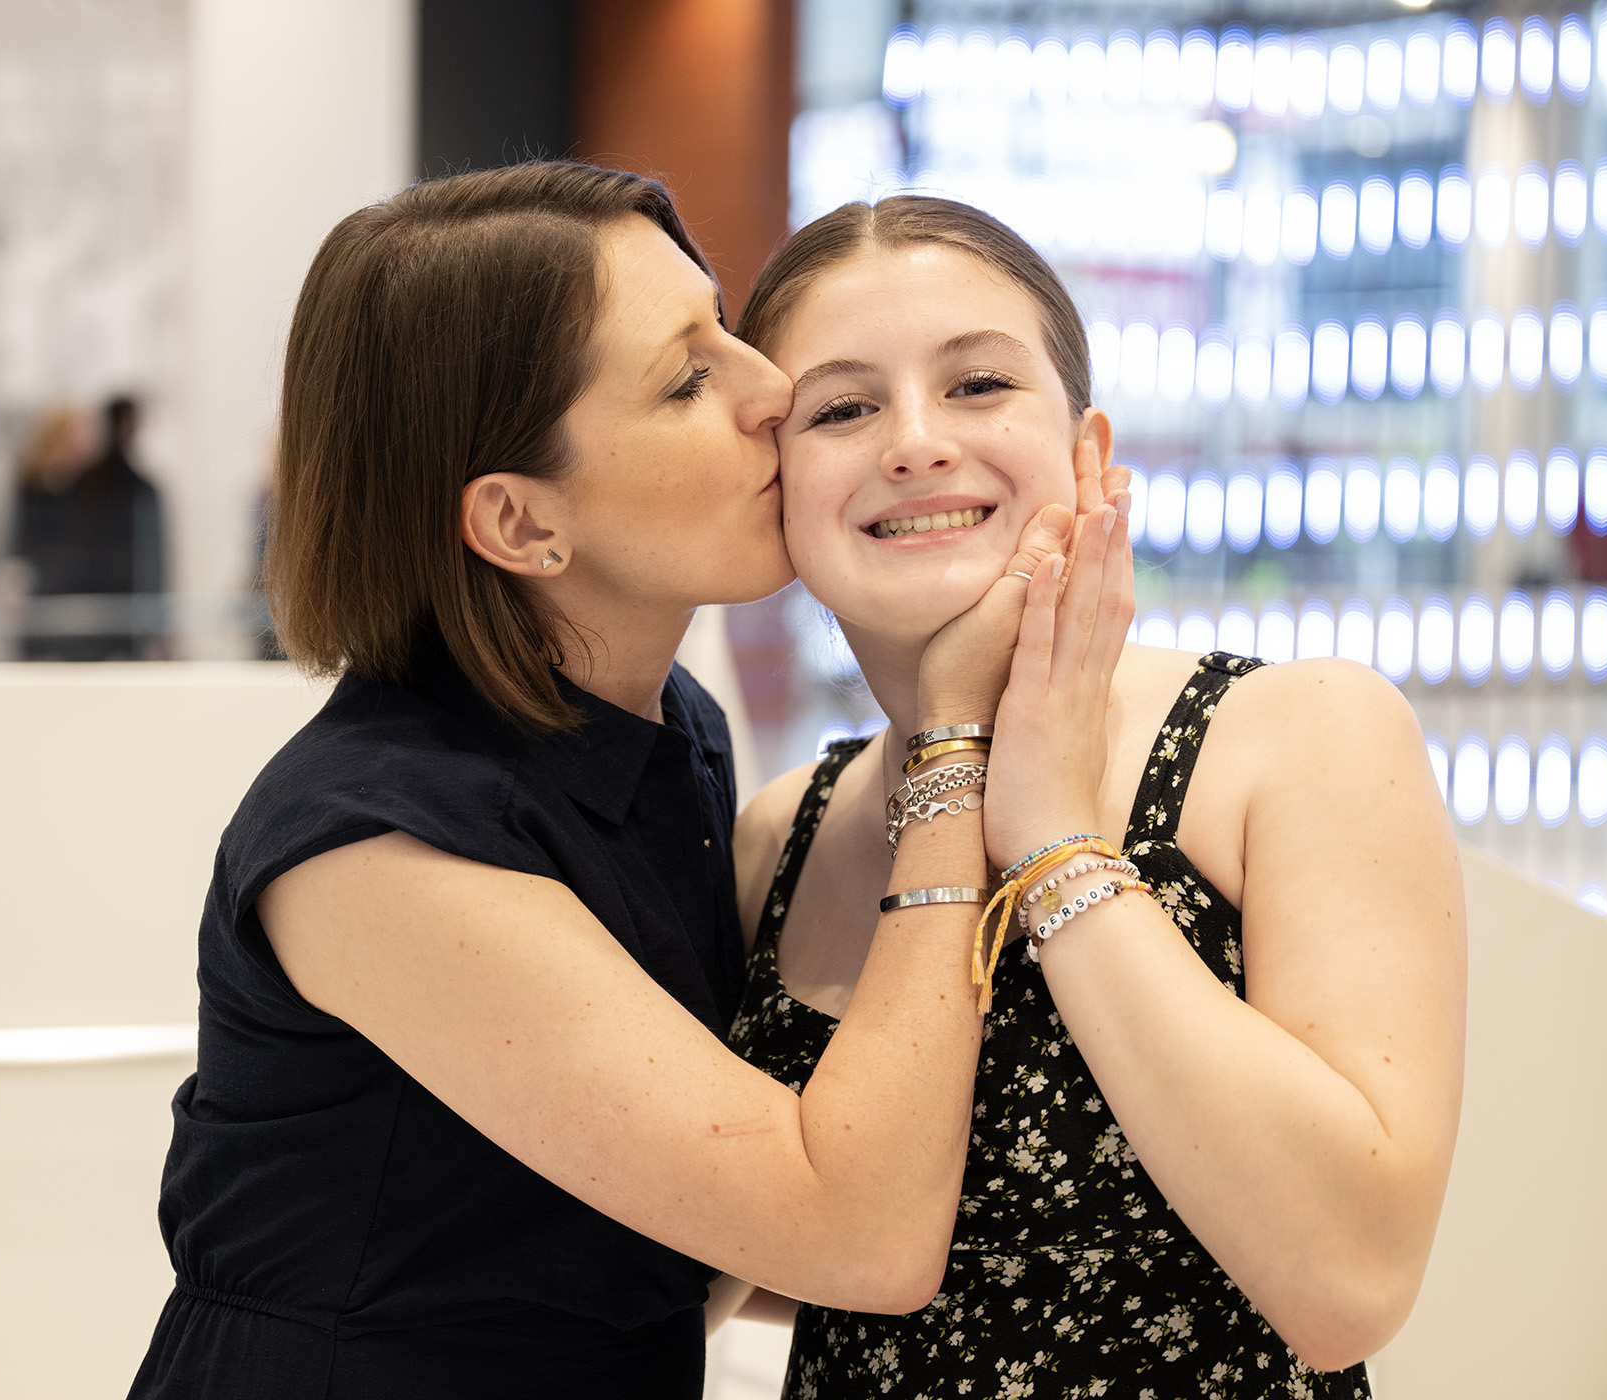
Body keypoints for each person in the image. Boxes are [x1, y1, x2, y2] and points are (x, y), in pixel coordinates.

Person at [127, 162, 1124, 1399]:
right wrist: (954, 734)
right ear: (521, 524)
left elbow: (681, 1233)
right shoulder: (380, 844)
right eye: (689, 378)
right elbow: (853, 1232)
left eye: (725, 325)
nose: (773, 390)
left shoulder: (667, 731)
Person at [718, 196, 1467, 1398]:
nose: (915, 442)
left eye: (977, 385)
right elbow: (735, 1257)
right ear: (774, 486)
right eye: (843, 408)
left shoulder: (1300, 736)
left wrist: (1056, 840)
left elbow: (1350, 1279)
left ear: (1087, 448)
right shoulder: (776, 834)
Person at [10, 394, 168, 660]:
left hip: (98, 621)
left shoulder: (113, 488)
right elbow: (24, 553)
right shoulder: (36, 492)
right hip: (51, 619)